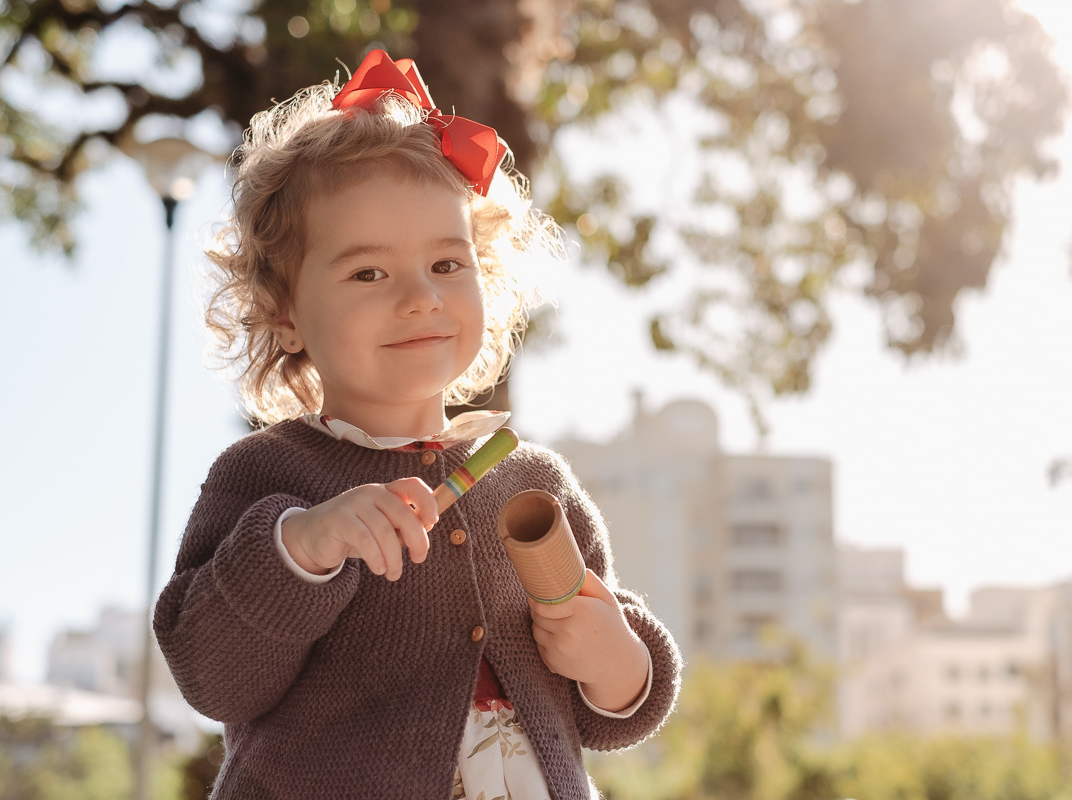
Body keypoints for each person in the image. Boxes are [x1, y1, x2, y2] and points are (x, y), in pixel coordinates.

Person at [153, 48, 681, 800]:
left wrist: (619, 663)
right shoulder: (265, 476)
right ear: (285, 312)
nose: (419, 298)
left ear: (484, 276)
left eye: (446, 265)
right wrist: (301, 547)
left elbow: (609, 704)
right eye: (368, 273)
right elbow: (210, 677)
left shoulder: (529, 479)